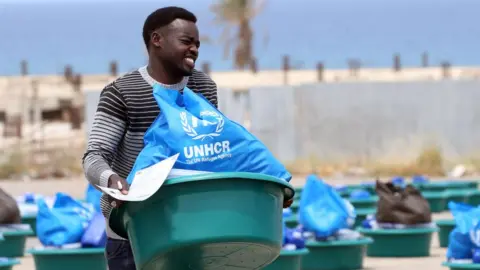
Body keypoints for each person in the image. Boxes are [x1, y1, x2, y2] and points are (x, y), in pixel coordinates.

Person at [83, 6, 292, 270]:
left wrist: (265, 192)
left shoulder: (203, 88)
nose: (194, 49)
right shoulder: (122, 93)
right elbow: (94, 157)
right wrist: (114, 181)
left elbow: (217, 153)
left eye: (197, 44)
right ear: (156, 40)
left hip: (197, 233)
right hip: (136, 235)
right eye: (186, 41)